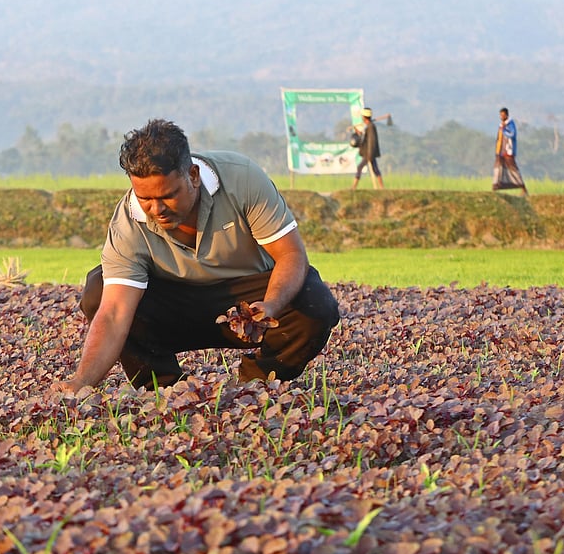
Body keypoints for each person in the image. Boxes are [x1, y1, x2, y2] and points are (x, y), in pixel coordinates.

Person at [59, 119, 340, 394]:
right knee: (99, 290)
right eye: (145, 198)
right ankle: (163, 389)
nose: (157, 209)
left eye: (168, 195)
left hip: (247, 301)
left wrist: (271, 304)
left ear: (192, 175)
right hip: (175, 309)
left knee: (314, 303)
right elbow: (114, 313)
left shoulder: (241, 178)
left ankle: (255, 383)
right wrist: (81, 382)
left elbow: (291, 253)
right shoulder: (128, 222)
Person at [492, 106, 528, 195]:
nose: (501, 117)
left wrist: (504, 130)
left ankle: (523, 188)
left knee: (513, 169)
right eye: (500, 115)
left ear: (507, 115)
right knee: (498, 168)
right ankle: (495, 187)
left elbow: (512, 135)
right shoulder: (501, 125)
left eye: (503, 115)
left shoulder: (510, 124)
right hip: (500, 151)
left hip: (508, 151)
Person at [349, 108, 385, 189]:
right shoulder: (369, 126)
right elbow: (365, 138)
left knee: (360, 167)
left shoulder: (371, 127)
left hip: (369, 153)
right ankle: (382, 188)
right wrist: (359, 133)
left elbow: (371, 141)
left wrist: (369, 155)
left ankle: (353, 187)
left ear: (364, 117)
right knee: (375, 169)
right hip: (368, 153)